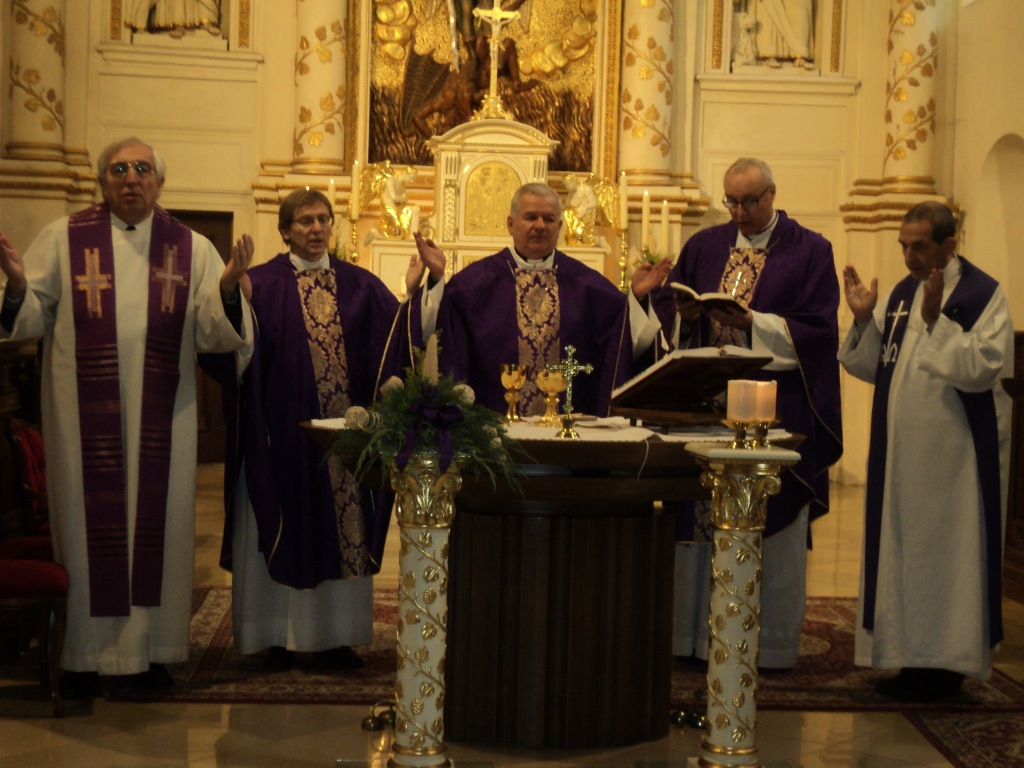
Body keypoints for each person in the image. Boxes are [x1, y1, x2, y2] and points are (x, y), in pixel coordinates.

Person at [0, 137, 252, 697]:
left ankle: (153, 656)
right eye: (119, 169)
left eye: (142, 169)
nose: (131, 178)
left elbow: (215, 330)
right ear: (103, 181)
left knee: (161, 532)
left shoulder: (190, 247)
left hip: (165, 420)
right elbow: (28, 318)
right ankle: (82, 658)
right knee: (84, 531)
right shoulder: (63, 239)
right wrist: (17, 286)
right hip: (81, 423)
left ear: (159, 182)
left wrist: (230, 288)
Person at [202, 189, 435, 671]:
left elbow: (395, 344)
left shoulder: (360, 285)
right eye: (304, 220)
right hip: (279, 441)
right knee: (279, 524)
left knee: (342, 530)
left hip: (343, 444)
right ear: (285, 230)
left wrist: (414, 295)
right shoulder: (261, 283)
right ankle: (274, 636)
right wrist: (230, 292)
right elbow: (229, 349)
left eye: (323, 219)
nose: (315, 228)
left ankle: (336, 638)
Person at [641, 157, 843, 669]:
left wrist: (753, 322)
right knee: (696, 517)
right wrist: (686, 316)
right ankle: (690, 639)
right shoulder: (704, 246)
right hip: (704, 406)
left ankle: (766, 645)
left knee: (772, 518)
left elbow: (819, 331)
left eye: (749, 201)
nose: (739, 211)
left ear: (772, 194)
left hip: (774, 409)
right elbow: (669, 316)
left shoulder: (811, 250)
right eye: (730, 201)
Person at [838, 201, 1013, 701]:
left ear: (949, 244)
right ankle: (907, 657)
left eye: (919, 246)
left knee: (947, 556)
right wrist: (864, 320)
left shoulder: (982, 295)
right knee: (901, 552)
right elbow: (877, 365)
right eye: (903, 246)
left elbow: (985, 366)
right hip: (900, 459)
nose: (909, 256)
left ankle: (945, 665)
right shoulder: (900, 294)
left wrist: (938, 323)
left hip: (954, 461)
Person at [411, 182, 665, 417]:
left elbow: (621, 339)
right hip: (494, 430)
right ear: (511, 224)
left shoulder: (587, 285)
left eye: (549, 219)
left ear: (560, 227)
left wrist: (638, 299)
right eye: (531, 217)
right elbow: (440, 332)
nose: (540, 225)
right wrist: (436, 278)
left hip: (569, 432)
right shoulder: (474, 285)